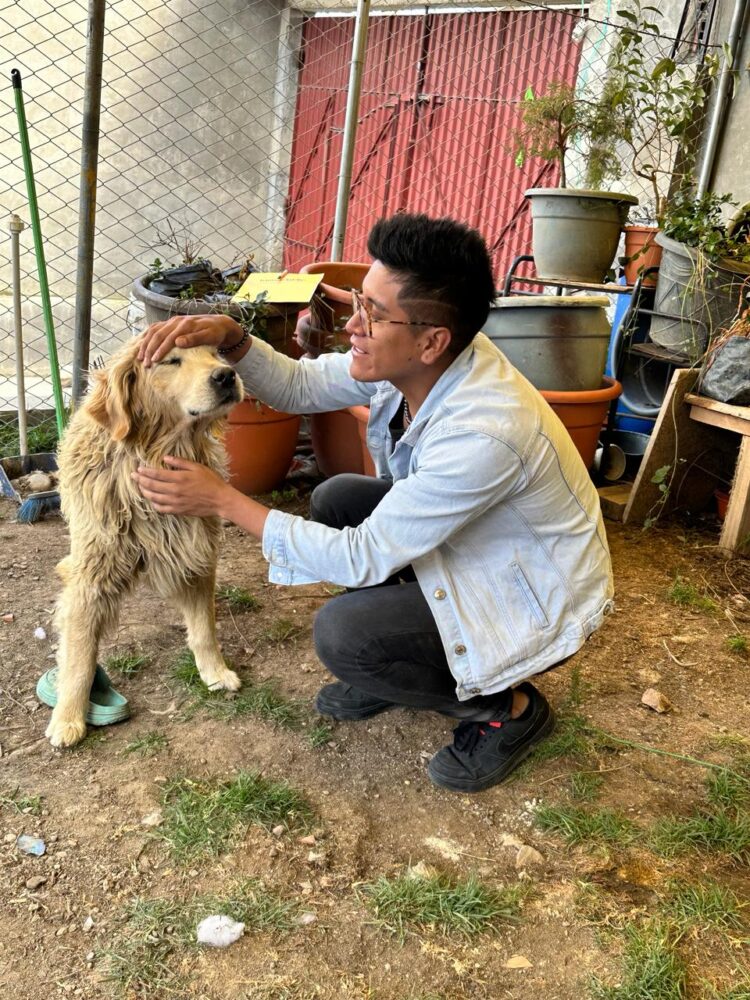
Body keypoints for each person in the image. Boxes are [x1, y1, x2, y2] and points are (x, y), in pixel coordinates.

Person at [135, 213, 614, 793]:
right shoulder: (421, 357)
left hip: (529, 591)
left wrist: (224, 501)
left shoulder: (484, 431)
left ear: (431, 339)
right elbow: (300, 386)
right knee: (338, 496)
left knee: (346, 637)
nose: (352, 326)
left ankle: (506, 712)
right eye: (357, 302)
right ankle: (400, 670)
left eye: (372, 314)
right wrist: (233, 338)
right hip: (479, 548)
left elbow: (360, 557)